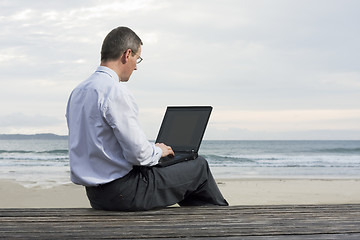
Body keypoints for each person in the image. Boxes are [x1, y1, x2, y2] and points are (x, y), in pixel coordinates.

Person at [66, 26, 228, 211]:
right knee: (199, 167)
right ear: (127, 54)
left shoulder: (78, 92)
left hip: (96, 196)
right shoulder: (114, 92)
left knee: (181, 171)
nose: (136, 66)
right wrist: (157, 151)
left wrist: (153, 151)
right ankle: (223, 221)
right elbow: (138, 155)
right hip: (125, 193)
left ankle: (197, 224)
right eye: (137, 59)